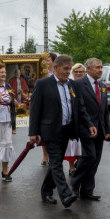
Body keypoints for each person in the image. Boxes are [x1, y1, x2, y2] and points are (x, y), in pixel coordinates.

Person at [29, 55, 96, 208]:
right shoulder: (43, 84)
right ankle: (65, 194)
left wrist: (89, 124)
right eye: (65, 69)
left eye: (69, 69)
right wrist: (33, 132)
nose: (67, 72)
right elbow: (35, 109)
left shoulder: (72, 85)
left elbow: (80, 108)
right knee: (56, 162)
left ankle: (46, 191)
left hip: (67, 129)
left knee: (56, 162)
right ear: (56, 68)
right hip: (50, 130)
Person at [71, 58, 110, 201]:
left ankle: (87, 191)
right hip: (85, 127)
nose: (100, 70)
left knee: (95, 160)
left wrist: (108, 130)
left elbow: (105, 110)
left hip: (100, 129)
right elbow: (78, 108)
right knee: (89, 156)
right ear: (88, 69)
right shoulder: (78, 84)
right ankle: (74, 186)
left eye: (101, 67)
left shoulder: (102, 85)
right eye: (97, 67)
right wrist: (88, 124)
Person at [65, 64, 86, 176]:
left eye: (80, 72)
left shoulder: (87, 84)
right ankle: (71, 167)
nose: (78, 74)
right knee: (72, 144)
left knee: (83, 146)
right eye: (76, 72)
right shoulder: (69, 85)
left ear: (84, 73)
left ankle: (80, 164)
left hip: (85, 119)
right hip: (73, 119)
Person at [38, 52, 59, 167]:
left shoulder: (57, 73)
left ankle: (54, 156)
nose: (46, 62)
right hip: (45, 104)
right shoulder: (42, 73)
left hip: (56, 103)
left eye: (49, 60)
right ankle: (45, 155)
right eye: (45, 60)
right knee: (44, 131)